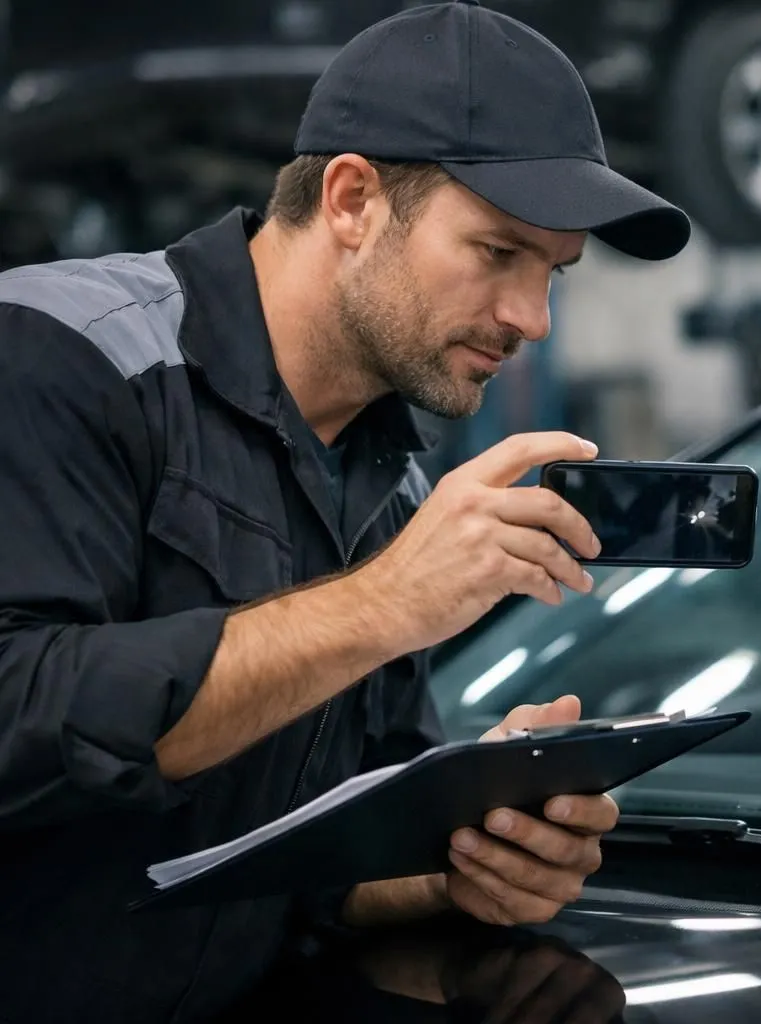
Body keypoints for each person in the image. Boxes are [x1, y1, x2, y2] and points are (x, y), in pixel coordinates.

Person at [0, 2, 690, 1020]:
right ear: (354, 198)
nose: (531, 318)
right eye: (499, 252)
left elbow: (312, 872)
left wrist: (460, 856)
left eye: (553, 272)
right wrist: (383, 605)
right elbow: (17, 717)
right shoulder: (61, 355)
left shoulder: (392, 488)